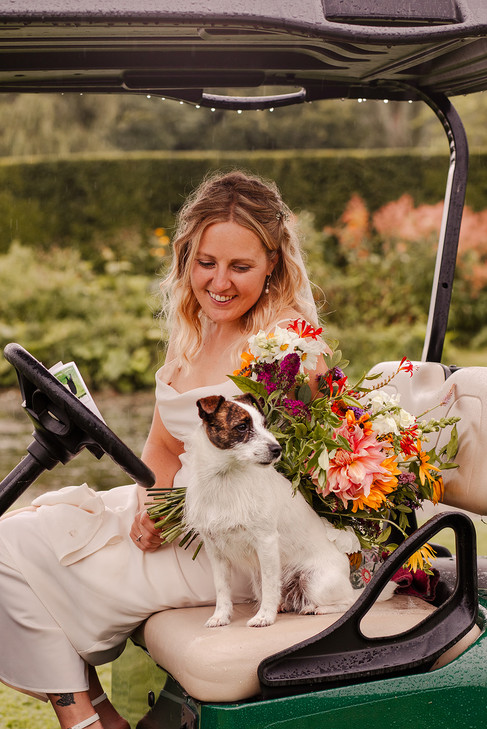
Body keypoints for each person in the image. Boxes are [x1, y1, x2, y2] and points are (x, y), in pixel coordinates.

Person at [0, 170, 324, 729]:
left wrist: (178, 512)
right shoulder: (193, 333)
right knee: (19, 533)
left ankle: (86, 720)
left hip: (234, 540)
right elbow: (162, 448)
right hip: (179, 511)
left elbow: (292, 472)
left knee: (16, 552)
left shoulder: (287, 347)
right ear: (186, 258)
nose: (218, 282)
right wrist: (154, 504)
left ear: (272, 265)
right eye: (205, 262)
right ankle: (95, 713)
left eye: (240, 267)